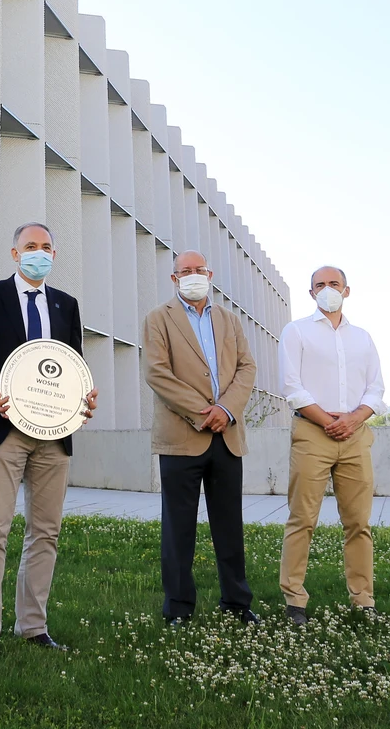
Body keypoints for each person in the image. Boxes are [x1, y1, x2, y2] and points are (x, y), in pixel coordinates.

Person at [0, 222, 98, 658]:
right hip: (4, 431)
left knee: (45, 532)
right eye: (30, 246)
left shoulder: (65, 304)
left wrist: (83, 398)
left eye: (47, 246)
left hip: (54, 436)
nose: (40, 252)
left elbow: (73, 366)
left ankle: (34, 626)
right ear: (15, 254)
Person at [142, 250, 259, 626]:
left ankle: (237, 603)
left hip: (227, 436)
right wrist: (202, 412)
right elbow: (158, 374)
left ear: (210, 274)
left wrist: (225, 410)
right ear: (174, 278)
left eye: (199, 270)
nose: (193, 275)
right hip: (180, 438)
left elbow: (246, 367)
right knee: (178, 529)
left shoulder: (229, 320)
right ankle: (178, 608)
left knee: (230, 526)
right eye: (185, 271)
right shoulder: (158, 319)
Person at [276, 265, 384, 623]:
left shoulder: (363, 338)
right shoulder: (296, 332)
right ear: (310, 294)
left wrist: (353, 420)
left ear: (346, 291)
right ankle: (295, 600)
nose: (327, 289)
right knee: (302, 518)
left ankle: (363, 599)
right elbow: (292, 387)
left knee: (358, 523)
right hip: (312, 433)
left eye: (333, 283)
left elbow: (375, 388)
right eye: (319, 285)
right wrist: (327, 421)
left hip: (355, 435)